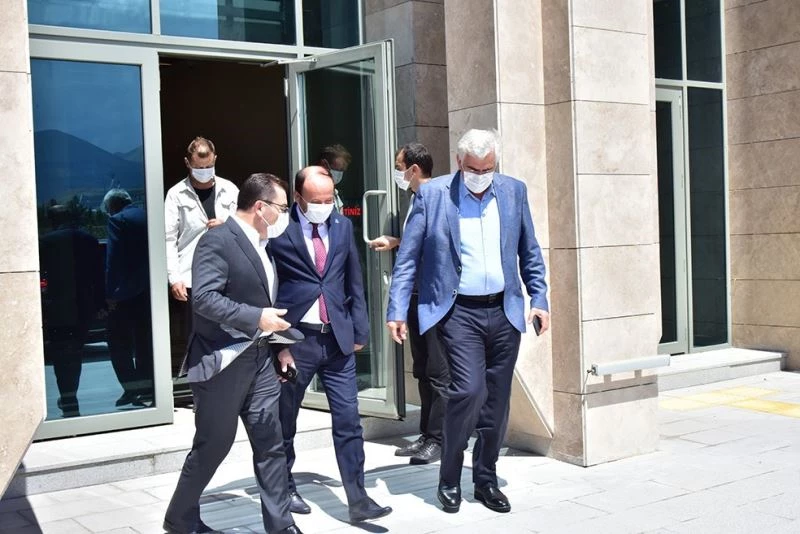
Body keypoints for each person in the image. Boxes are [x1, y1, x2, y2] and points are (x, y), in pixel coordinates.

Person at [386, 129, 550, 515]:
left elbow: (529, 250)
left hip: (504, 310)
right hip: (458, 312)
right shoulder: (433, 194)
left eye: (488, 168)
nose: (481, 175)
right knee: (468, 391)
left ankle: (486, 479)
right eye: (473, 169)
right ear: (459, 162)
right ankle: (449, 477)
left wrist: (539, 299)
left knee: (497, 401)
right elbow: (408, 258)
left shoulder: (513, 191)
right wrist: (397, 310)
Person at [163, 173, 303, 534]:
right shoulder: (217, 241)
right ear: (260, 207)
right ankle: (179, 519)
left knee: (270, 444)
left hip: (260, 360)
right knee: (213, 445)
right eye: (282, 207)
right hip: (223, 362)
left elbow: (266, 302)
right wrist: (256, 318)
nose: (285, 215)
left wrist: (280, 347)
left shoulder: (262, 243)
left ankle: (281, 525)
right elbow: (204, 299)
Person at [269, 165, 392, 524]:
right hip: (296, 341)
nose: (324, 206)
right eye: (316, 201)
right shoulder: (278, 229)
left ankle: (358, 498)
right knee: (284, 419)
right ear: (297, 197)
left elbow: (354, 280)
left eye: (329, 199)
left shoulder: (341, 225)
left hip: (337, 340)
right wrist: (278, 345)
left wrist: (360, 332)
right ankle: (285, 486)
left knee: (349, 420)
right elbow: (268, 289)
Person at [368, 143, 449, 465]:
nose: (397, 173)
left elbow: (440, 244)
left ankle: (439, 439)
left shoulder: (439, 197)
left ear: (414, 169)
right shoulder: (415, 199)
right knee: (423, 370)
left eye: (399, 167)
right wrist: (397, 242)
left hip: (434, 299)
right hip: (415, 296)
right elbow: (419, 242)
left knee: (439, 372)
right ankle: (427, 435)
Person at [164, 136, 238, 334]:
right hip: (191, 277)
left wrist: (227, 226)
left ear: (215, 159)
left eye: (208, 166)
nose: (204, 171)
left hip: (228, 274)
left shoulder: (230, 190)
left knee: (228, 333)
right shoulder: (176, 194)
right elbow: (169, 239)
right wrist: (174, 278)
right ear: (187, 163)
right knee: (196, 334)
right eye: (199, 167)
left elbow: (246, 227)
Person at [39, 204, 105, 418]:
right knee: (75, 352)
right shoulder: (89, 239)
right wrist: (101, 303)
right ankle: (71, 396)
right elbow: (98, 275)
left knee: (60, 355)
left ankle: (67, 397)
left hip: (57, 306)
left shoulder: (46, 241)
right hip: (84, 305)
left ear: (52, 220)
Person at [103, 188, 153, 407]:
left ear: (112, 206)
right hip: (149, 290)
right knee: (145, 341)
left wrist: (110, 293)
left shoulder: (117, 220)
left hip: (126, 292)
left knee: (117, 343)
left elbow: (113, 259)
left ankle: (132, 388)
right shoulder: (147, 216)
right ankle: (146, 387)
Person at [317, 144, 351, 212]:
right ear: (324, 164)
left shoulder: (336, 193)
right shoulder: (315, 193)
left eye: (342, 170)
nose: (339, 174)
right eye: (337, 169)